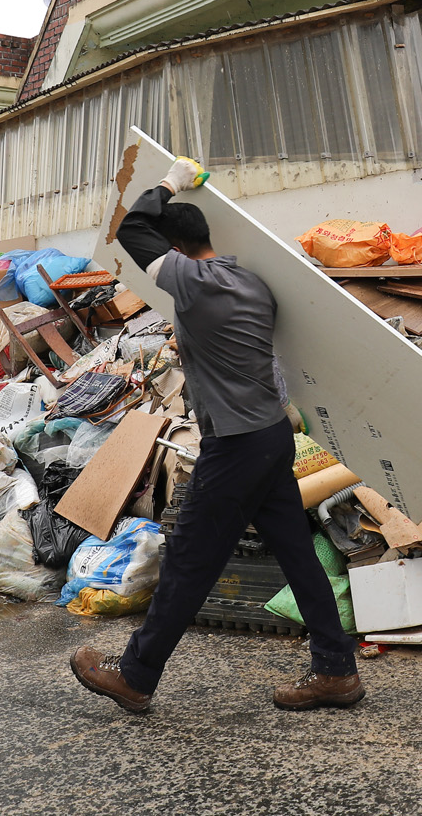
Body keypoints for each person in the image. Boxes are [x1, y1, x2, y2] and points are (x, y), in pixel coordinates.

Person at [70, 157, 362, 715]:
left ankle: (134, 675)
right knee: (297, 554)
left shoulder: (195, 284)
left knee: (189, 558)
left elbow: (131, 230)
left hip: (236, 445)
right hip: (270, 433)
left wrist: (170, 182)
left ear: (176, 252)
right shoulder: (250, 282)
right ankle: (336, 671)